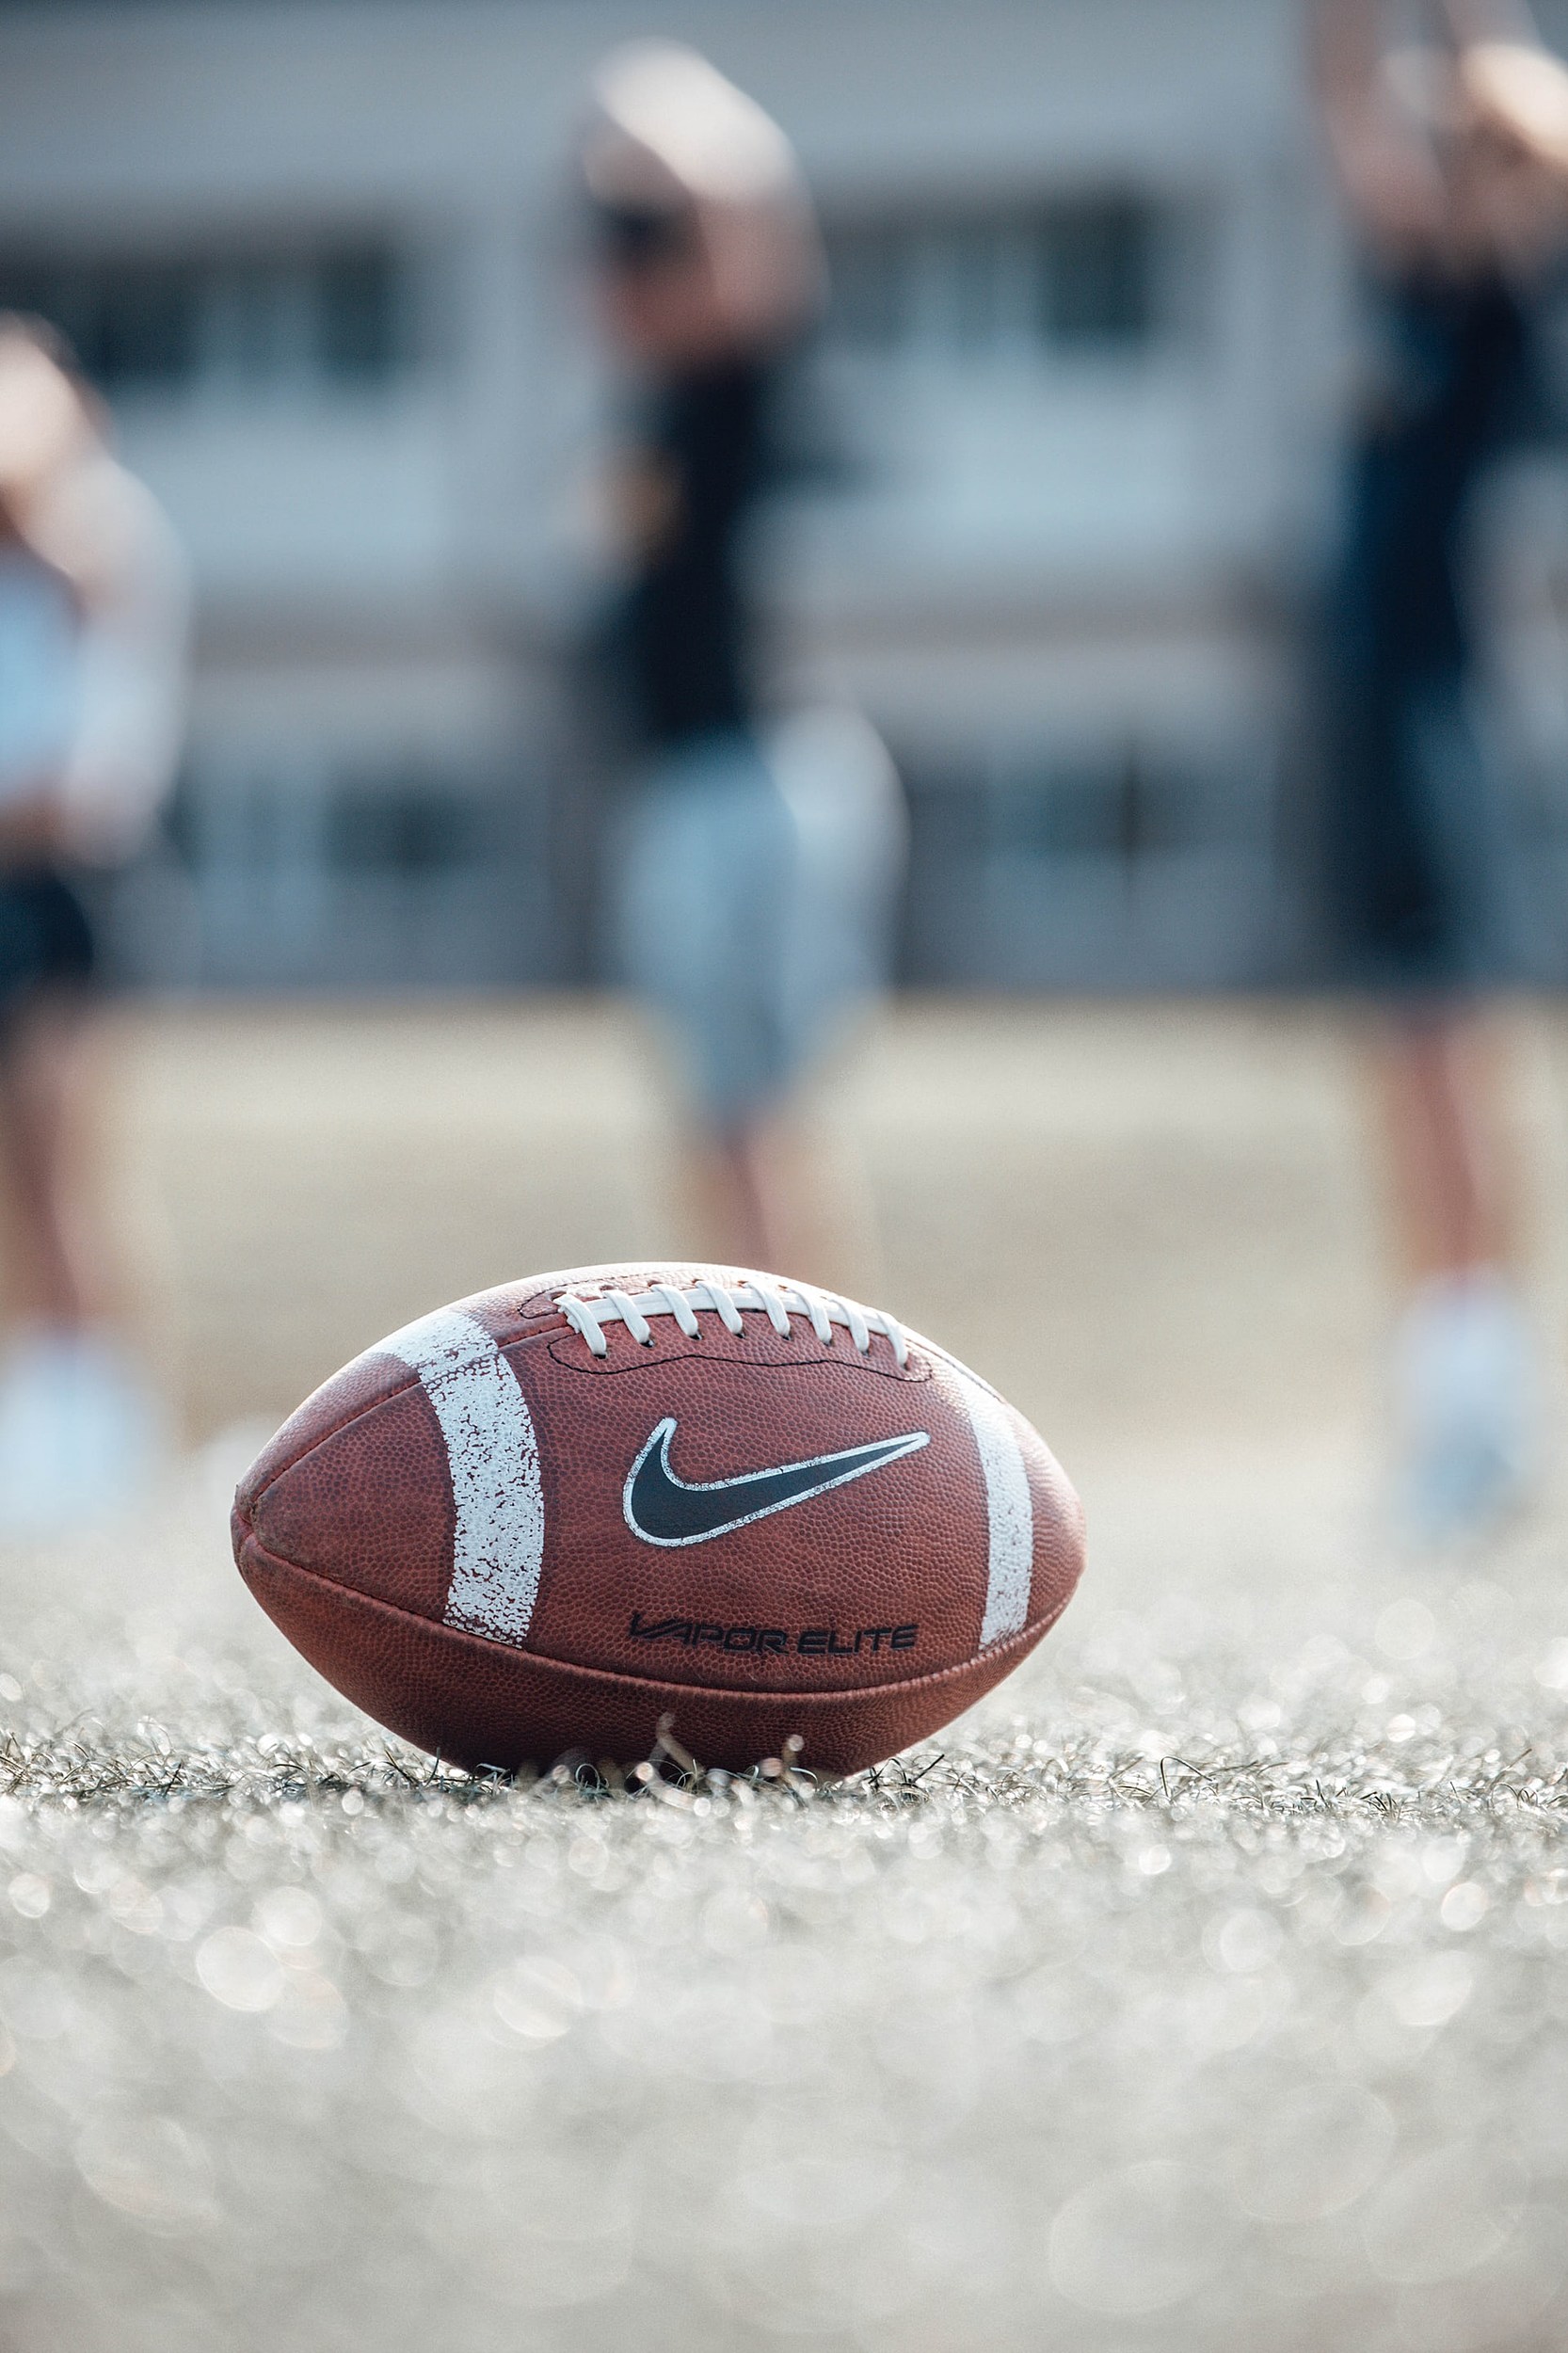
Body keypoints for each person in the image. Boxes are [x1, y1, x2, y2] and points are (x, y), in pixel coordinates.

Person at [575, 41, 905, 1281]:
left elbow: (754, 200)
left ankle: (806, 1384)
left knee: (764, 1110)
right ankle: (760, 1375)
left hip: (757, 776)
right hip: (679, 786)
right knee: (711, 1113)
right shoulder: (643, 411)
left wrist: (642, 91)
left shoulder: (736, 382)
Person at [1313, 0, 1568, 1540]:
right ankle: (1453, 1389)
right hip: (1377, 714)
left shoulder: (1493, 297)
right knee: (1404, 1063)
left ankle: (1482, 1409)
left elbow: (1487, 116)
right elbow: (1341, 84)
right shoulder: (1406, 294)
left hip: (1438, 717)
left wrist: (1468, 32)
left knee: (1440, 1053)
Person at [0, 317, 188, 1529]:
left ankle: (108, 1421)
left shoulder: (100, 532)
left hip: (70, 886)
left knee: (68, 1160)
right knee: (23, 1171)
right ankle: (53, 1406)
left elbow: (84, 781)